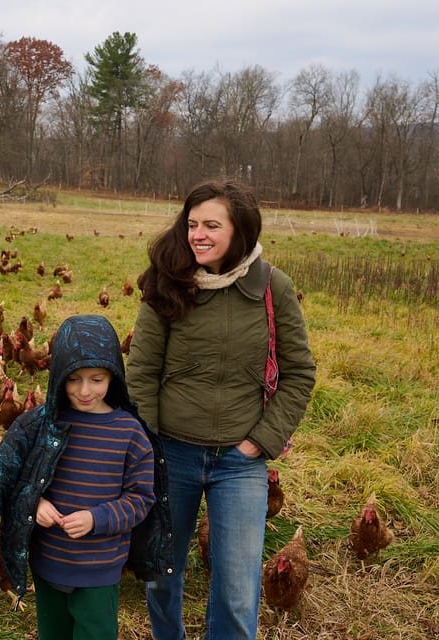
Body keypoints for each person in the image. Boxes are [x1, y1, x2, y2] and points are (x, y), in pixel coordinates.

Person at [126, 178, 316, 640]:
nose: (198, 235)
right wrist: (148, 446)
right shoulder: (167, 281)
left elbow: (299, 374)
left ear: (241, 232)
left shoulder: (273, 286)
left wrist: (261, 442)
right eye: (192, 224)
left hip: (239, 462)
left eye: (212, 225)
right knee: (160, 576)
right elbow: (142, 374)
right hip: (171, 455)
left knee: (236, 591)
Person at [0, 314, 163, 640]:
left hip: (99, 568)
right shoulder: (40, 425)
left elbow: (141, 498)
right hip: (48, 562)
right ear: (58, 376)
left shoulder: (129, 433)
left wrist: (97, 518)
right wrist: (33, 504)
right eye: (73, 379)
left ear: (113, 376)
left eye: (96, 379)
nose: (84, 390)